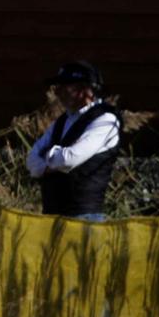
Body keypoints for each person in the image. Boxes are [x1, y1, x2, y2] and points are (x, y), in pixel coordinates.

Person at [26, 60, 121, 221]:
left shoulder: (105, 119)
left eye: (65, 87)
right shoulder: (63, 120)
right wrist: (53, 161)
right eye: (58, 87)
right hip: (52, 216)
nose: (58, 92)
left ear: (85, 89)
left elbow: (69, 159)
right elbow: (31, 162)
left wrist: (47, 156)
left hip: (85, 218)